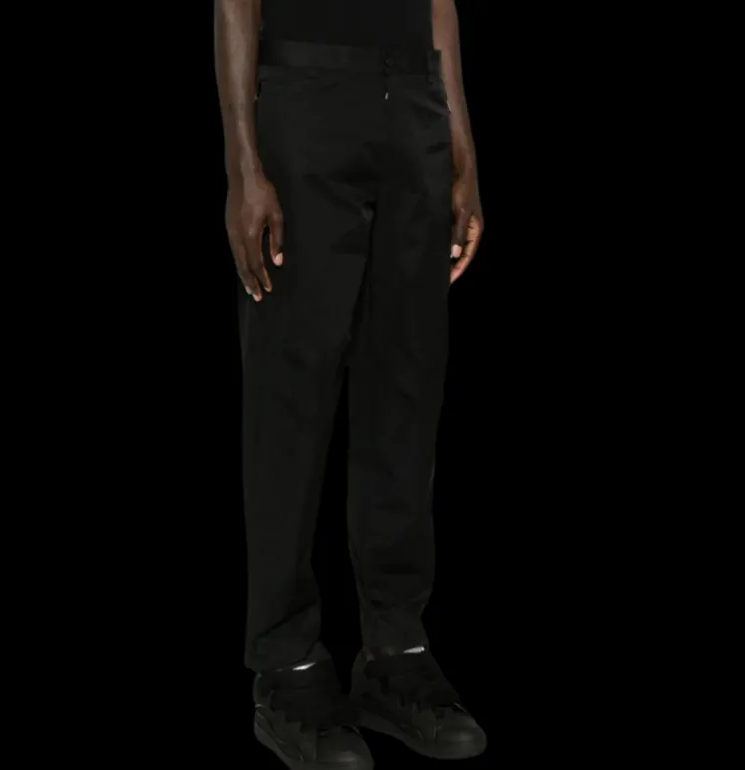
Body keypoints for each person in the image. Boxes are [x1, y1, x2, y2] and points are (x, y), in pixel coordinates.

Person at [214, 0, 485, 766]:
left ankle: (396, 650)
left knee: (406, 387)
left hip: (416, 103)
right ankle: (285, 664)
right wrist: (244, 165)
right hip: (303, 97)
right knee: (291, 391)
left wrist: (461, 147)